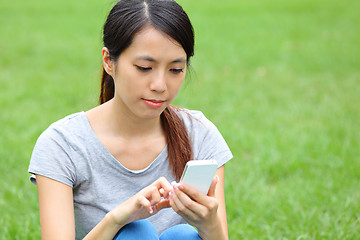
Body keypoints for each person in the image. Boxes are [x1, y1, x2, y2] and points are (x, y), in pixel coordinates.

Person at [28, 0, 233, 239]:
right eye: (144, 67)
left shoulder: (199, 134)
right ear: (108, 61)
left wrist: (210, 225)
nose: (160, 86)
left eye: (175, 70)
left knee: (184, 235)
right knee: (136, 232)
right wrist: (117, 219)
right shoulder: (63, 145)